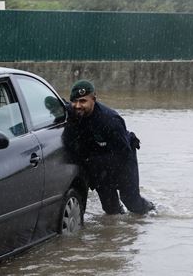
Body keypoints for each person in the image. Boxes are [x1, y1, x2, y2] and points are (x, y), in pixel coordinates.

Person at [63, 80, 155, 215]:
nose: (78, 106)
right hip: (98, 163)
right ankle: (116, 232)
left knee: (131, 201)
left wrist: (97, 165)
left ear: (94, 99)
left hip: (122, 159)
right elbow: (55, 104)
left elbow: (123, 153)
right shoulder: (74, 112)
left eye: (83, 101)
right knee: (110, 208)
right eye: (75, 101)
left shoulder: (110, 120)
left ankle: (152, 211)